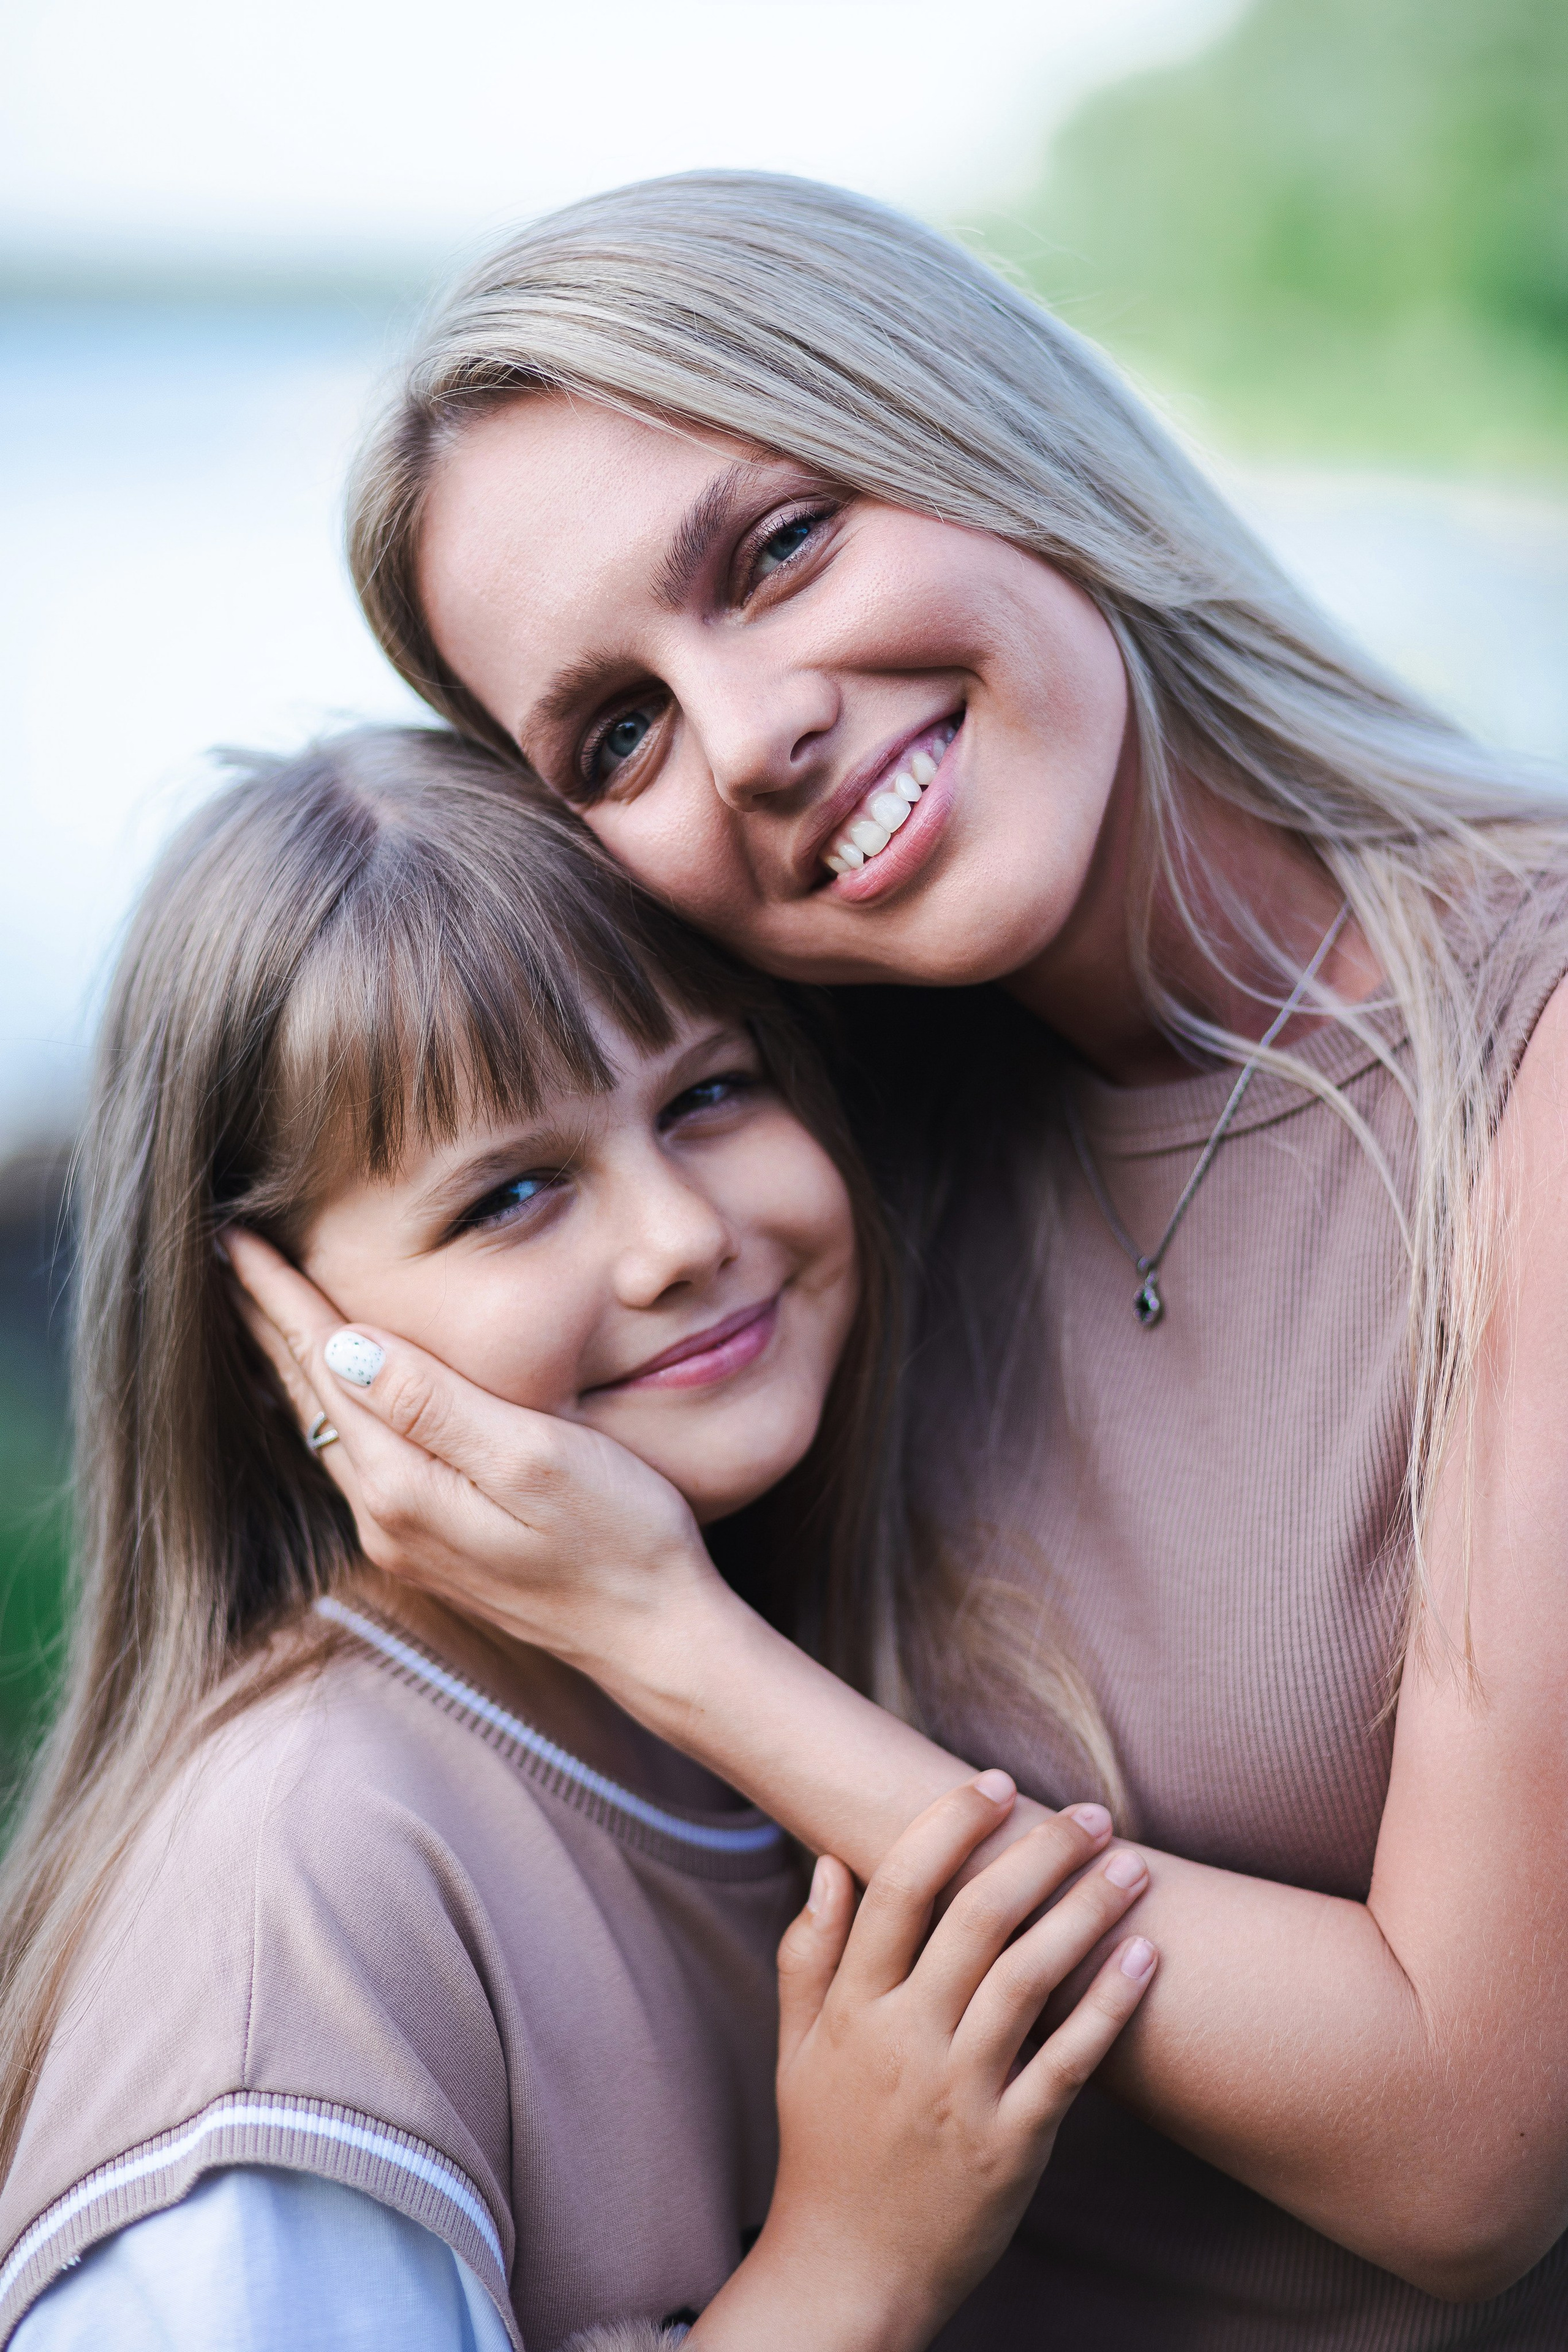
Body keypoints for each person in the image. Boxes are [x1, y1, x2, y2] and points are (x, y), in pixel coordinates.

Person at [239, 171, 1568, 2345]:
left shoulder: (1526, 1055)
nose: (756, 733)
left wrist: (675, 1638)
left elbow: (1466, 2145)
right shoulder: (808, 1172)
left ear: (983, 431)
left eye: (776, 550)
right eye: (620, 734)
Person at [0, 730, 1158, 2351]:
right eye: (512, 1196)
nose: (683, 1239)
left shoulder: (766, 1678)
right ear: (273, 1340)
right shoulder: (297, 1894)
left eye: (710, 1091)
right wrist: (846, 2272)